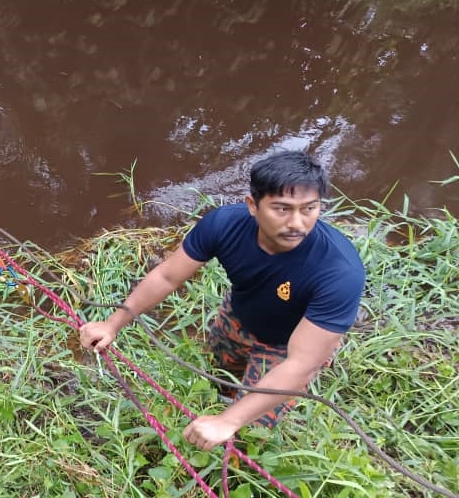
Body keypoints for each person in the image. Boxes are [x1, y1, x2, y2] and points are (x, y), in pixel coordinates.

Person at [79, 150, 365, 450]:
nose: (297, 223)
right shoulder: (224, 225)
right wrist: (112, 325)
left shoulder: (339, 271)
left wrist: (228, 422)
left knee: (248, 430)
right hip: (237, 317)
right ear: (253, 205)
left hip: (287, 346)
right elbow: (167, 276)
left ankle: (234, 453)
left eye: (309, 208)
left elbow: (302, 363)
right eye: (282, 209)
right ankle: (223, 403)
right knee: (220, 375)